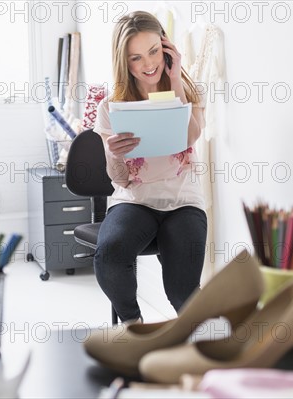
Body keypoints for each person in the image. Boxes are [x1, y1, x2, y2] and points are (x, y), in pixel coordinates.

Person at [93, 11, 207, 323]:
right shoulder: (110, 106)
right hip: (135, 202)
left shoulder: (189, 92)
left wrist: (175, 80)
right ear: (123, 61)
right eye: (136, 58)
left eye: (155, 51)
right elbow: (120, 179)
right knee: (110, 255)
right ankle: (134, 327)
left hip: (183, 201)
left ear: (167, 47)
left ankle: (192, 342)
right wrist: (113, 155)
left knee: (183, 291)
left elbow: (190, 136)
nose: (149, 65)